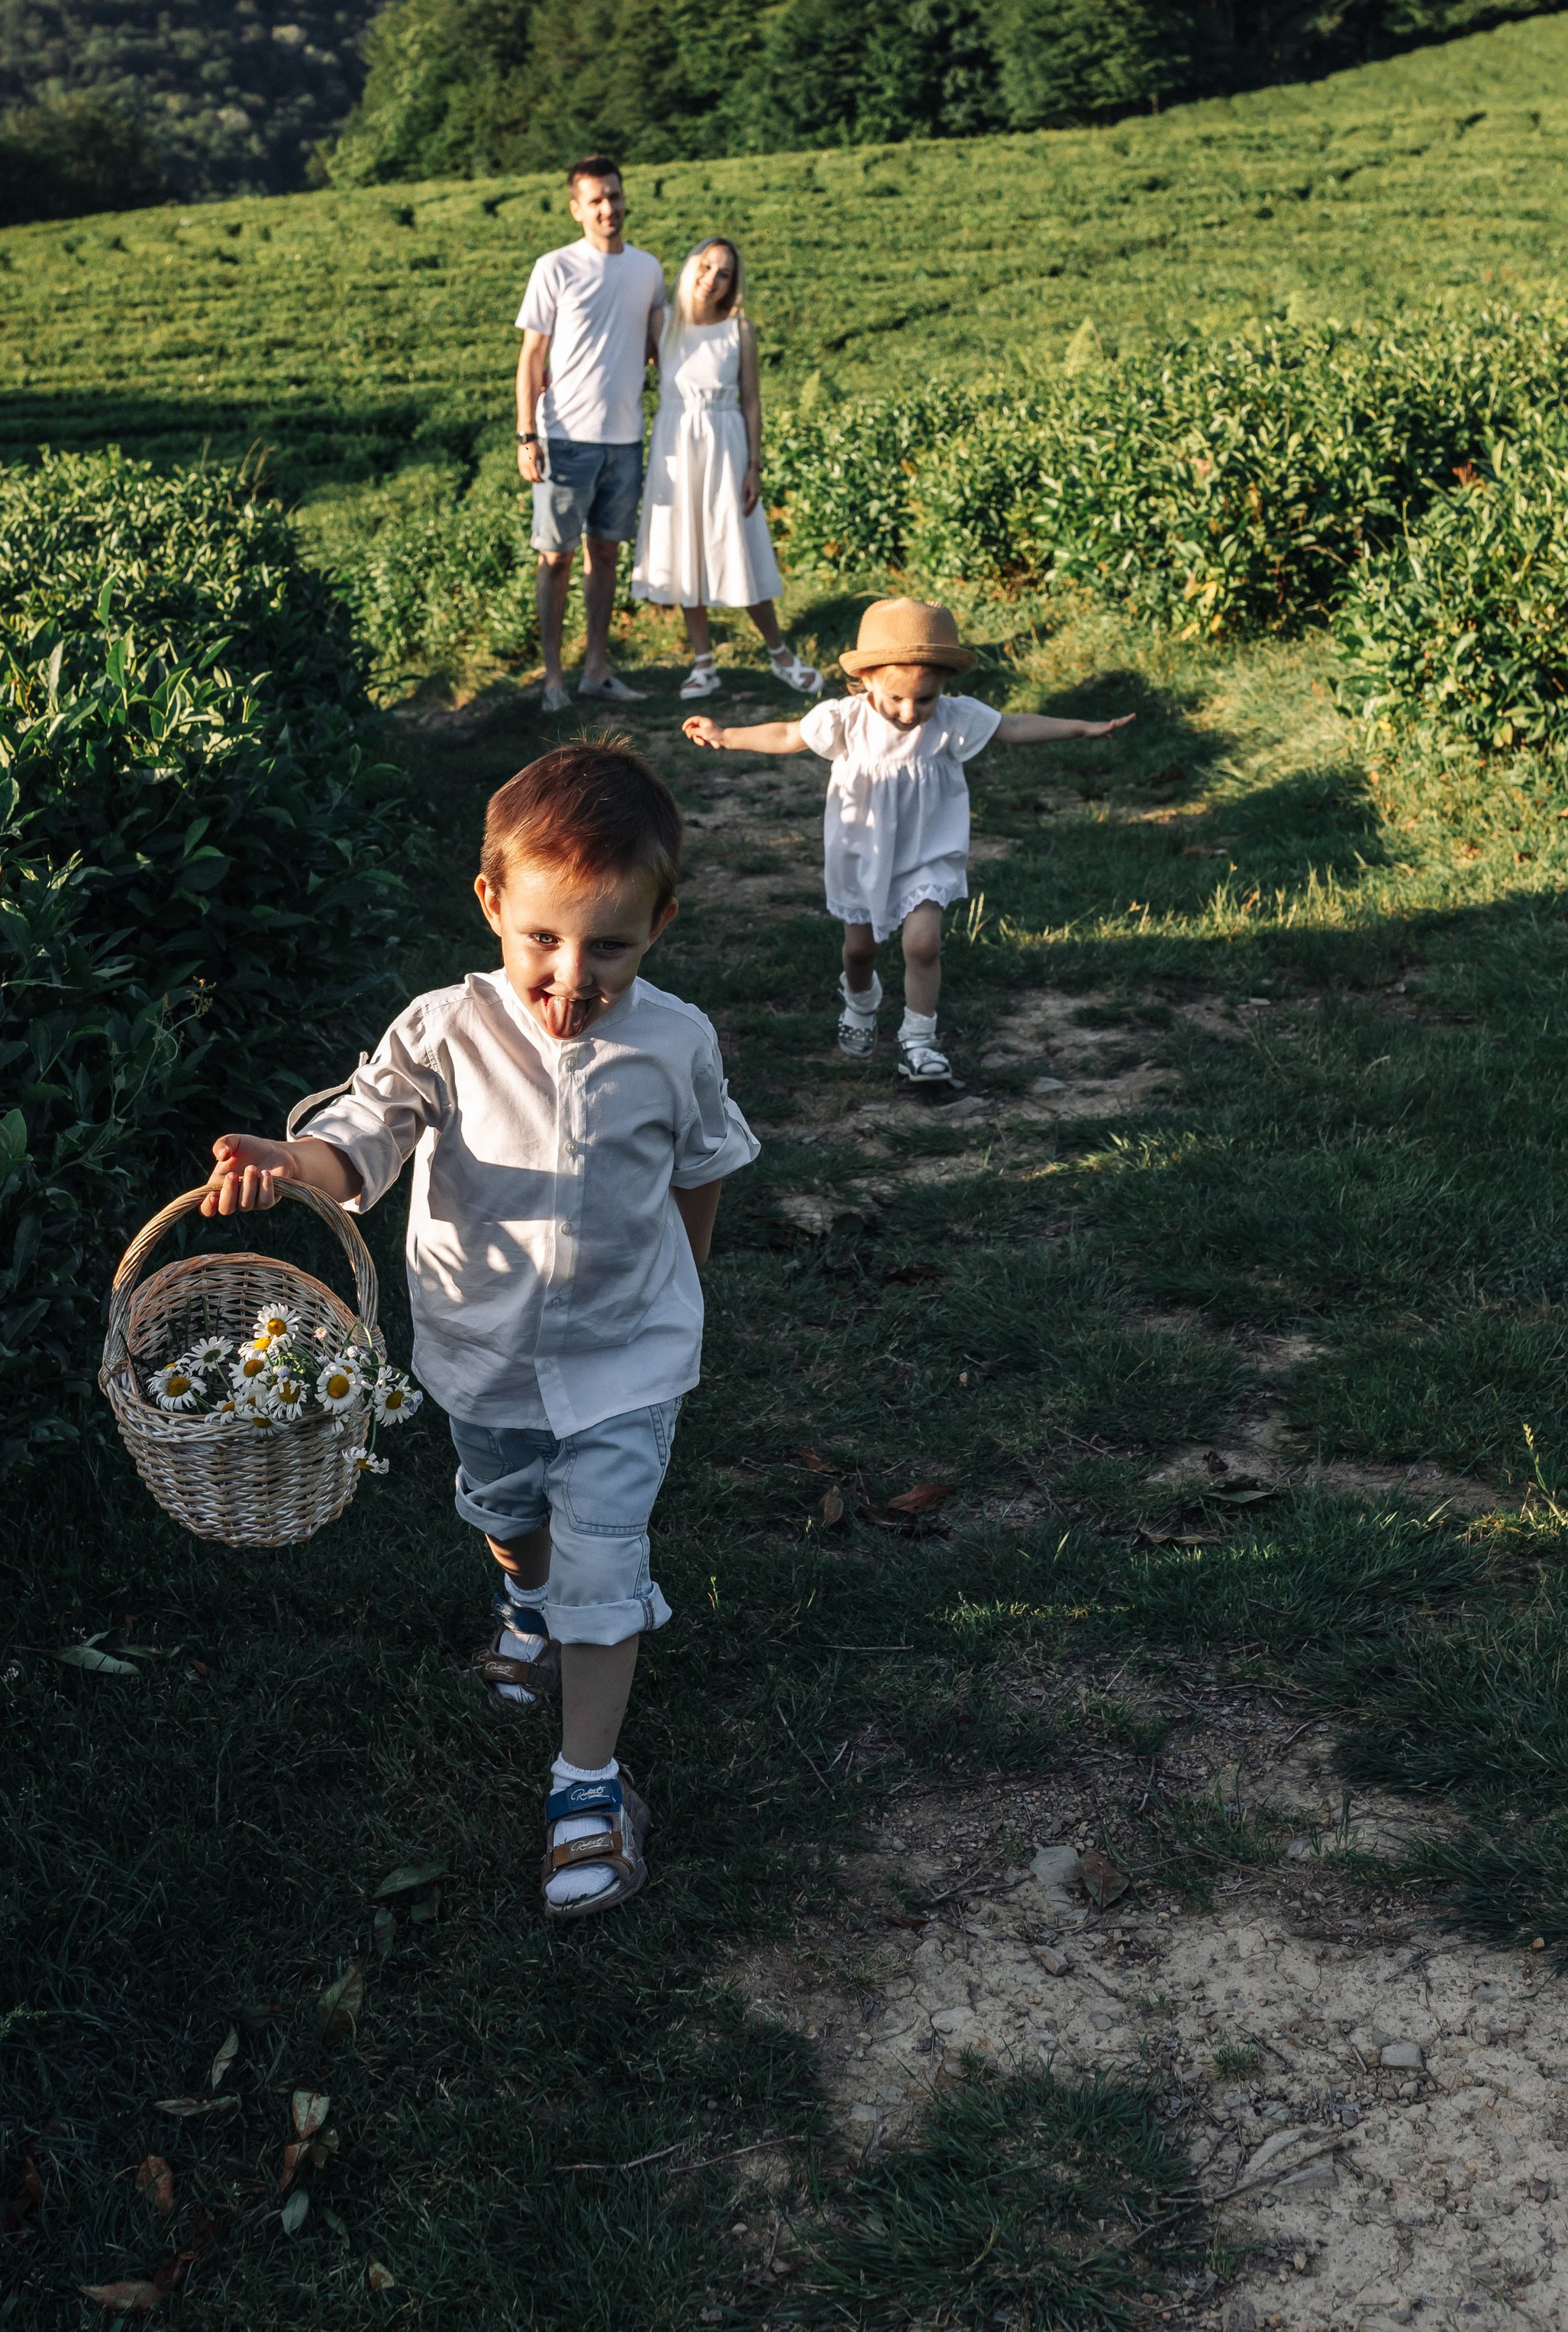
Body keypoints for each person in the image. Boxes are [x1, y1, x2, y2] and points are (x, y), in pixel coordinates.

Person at [198, 740, 758, 1917]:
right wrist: (288, 1163)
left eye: (611, 945)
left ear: (663, 919)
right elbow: (364, 1134)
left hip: (626, 1355)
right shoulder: (446, 1030)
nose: (571, 977)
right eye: (542, 940)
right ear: (493, 905)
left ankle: (587, 1786)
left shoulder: (677, 1042)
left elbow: (701, 1167)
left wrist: (684, 1286)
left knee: (605, 1560)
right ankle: (522, 1603)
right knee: (507, 1513)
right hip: (482, 1348)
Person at [684, 596, 1133, 1088]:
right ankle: (861, 1001)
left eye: (925, 699)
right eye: (896, 698)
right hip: (862, 852)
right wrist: (727, 735)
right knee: (860, 952)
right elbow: (789, 734)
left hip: (928, 851)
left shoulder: (952, 720)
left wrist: (1081, 728)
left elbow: (1013, 725)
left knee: (923, 945)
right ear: (868, 679)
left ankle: (919, 1040)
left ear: (942, 686)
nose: (910, 711)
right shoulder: (846, 720)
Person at [630, 235, 824, 702]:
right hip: (676, 441)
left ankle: (781, 656)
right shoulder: (663, 321)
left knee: (742, 546)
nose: (712, 279)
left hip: (726, 442)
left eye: (724, 273)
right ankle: (703, 665)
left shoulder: (740, 329)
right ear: (690, 265)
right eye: (706, 266)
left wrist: (754, 466)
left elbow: (752, 402)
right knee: (686, 549)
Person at [515, 156, 666, 712]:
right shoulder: (555, 266)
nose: (609, 207)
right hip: (565, 438)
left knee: (605, 553)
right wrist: (526, 435)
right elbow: (532, 355)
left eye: (615, 196)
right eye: (597, 199)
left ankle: (596, 670)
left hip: (625, 438)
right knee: (555, 557)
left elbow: (657, 345)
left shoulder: (648, 269)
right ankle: (554, 676)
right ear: (577, 209)